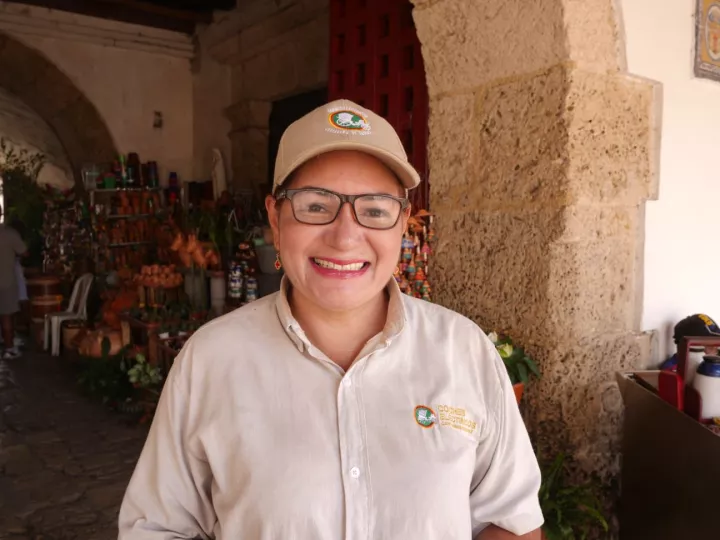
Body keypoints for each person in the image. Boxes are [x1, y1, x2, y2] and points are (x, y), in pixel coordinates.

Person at [119, 100, 544, 539]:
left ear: (402, 224)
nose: (345, 237)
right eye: (315, 206)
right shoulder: (211, 360)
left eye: (375, 210)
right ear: (275, 218)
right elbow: (157, 528)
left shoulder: (463, 350)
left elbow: (511, 521)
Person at [0, 204, 28, 359]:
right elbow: (24, 252)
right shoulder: (9, 234)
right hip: (6, 282)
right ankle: (9, 348)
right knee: (7, 316)